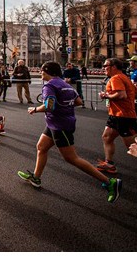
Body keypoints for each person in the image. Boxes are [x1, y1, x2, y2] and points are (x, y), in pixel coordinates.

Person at [17, 61, 122, 203]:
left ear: (47, 71)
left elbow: (50, 106)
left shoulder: (49, 85)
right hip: (55, 124)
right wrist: (65, 105)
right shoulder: (65, 84)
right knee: (41, 147)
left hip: (60, 125)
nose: (41, 73)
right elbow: (78, 101)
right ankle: (36, 177)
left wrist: (35, 109)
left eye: (42, 71)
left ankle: (110, 182)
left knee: (72, 158)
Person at [96, 58, 137, 174]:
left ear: (114, 67)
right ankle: (109, 164)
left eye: (105, 66)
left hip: (123, 116)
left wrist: (105, 96)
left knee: (134, 147)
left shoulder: (116, 78)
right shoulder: (125, 78)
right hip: (116, 115)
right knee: (107, 137)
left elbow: (121, 95)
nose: (104, 68)